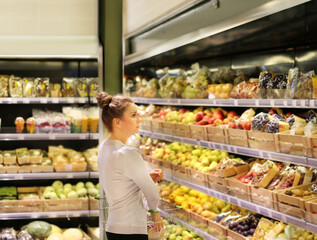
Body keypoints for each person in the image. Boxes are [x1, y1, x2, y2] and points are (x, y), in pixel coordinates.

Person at [96, 92, 164, 240]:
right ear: (117, 122)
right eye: (133, 115)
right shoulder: (128, 153)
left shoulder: (104, 147)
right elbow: (152, 193)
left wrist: (145, 178)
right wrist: (155, 212)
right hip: (132, 230)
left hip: (113, 227)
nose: (139, 119)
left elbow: (118, 180)